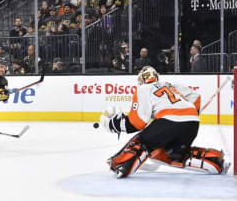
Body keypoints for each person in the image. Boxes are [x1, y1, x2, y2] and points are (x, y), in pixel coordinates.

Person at [99, 66, 230, 178]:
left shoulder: (143, 89)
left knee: (143, 141)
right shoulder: (172, 85)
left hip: (169, 122)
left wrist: (114, 124)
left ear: (141, 79)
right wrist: (191, 112)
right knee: (175, 154)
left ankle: (121, 165)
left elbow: (138, 122)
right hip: (192, 123)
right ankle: (217, 161)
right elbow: (196, 97)